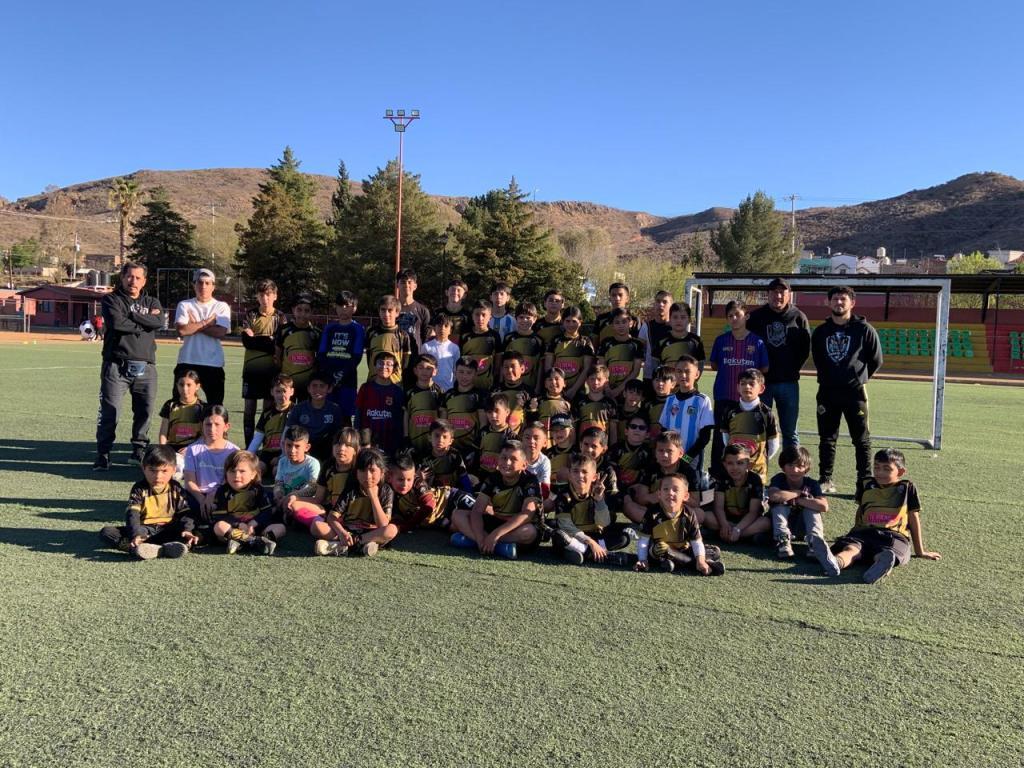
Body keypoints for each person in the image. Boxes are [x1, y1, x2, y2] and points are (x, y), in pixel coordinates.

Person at [811, 285, 883, 495]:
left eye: (843, 299)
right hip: (827, 392)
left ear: (852, 303)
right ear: (828, 302)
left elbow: (876, 359)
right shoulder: (821, 332)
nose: (839, 303)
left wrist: (859, 378)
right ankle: (825, 479)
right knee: (827, 438)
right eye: (835, 299)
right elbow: (818, 358)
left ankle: (863, 482)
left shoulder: (864, 329)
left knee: (861, 440)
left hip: (854, 394)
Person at [830, 447, 940, 583]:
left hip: (893, 536)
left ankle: (880, 564)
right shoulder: (867, 484)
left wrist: (920, 551)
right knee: (851, 549)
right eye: (876, 467)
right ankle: (835, 563)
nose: (880, 473)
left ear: (900, 472)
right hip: (865, 532)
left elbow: (913, 518)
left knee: (883, 553)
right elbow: (861, 510)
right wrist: (854, 531)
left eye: (886, 469)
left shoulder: (906, 488)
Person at [95, 261, 163, 470]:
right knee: (110, 411)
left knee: (145, 411)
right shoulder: (111, 299)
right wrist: (144, 322)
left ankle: (138, 450)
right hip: (116, 366)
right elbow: (117, 324)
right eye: (129, 276)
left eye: (138, 278)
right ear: (122, 277)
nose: (133, 281)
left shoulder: (152, 301)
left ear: (144, 281)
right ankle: (104, 453)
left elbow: (159, 322)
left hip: (146, 366)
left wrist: (132, 315)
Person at [449, 440, 542, 560]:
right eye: (503, 458)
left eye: (513, 459)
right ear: (498, 460)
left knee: (530, 532)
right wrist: (480, 537)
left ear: (524, 465)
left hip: (516, 526)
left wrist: (495, 535)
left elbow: (526, 515)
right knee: (457, 515)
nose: (507, 462)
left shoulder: (530, 480)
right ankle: (491, 545)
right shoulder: (493, 478)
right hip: (497, 520)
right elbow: (477, 509)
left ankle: (476, 541)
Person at [747, 278, 811, 449]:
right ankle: (759, 471)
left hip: (788, 383)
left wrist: (792, 367)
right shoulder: (755, 317)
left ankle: (792, 473)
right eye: (774, 292)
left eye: (782, 292)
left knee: (790, 432)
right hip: (762, 383)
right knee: (760, 430)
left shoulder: (798, 317)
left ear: (789, 295)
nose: (778, 295)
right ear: (768, 295)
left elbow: (805, 348)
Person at [98, 445, 193, 560]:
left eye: (164, 471)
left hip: (168, 529)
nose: (158, 476)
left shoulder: (176, 488)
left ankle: (152, 549)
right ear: (143, 468)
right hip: (145, 530)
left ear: (173, 470)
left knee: (195, 532)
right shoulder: (139, 489)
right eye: (152, 470)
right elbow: (132, 514)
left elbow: (186, 513)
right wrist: (136, 535)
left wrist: (187, 530)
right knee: (107, 532)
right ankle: (139, 548)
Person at [708, 300, 769, 473]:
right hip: (724, 397)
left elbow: (764, 368)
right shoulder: (721, 341)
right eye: (730, 316)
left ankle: (750, 473)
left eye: (738, 315)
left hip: (747, 402)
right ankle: (717, 474)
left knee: (746, 438)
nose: (734, 318)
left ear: (746, 316)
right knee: (720, 438)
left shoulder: (757, 342)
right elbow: (714, 364)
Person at [765, 445, 839, 573]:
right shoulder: (779, 479)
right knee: (780, 505)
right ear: (783, 466)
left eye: (800, 466)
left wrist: (799, 501)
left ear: (807, 468)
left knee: (811, 508)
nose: (795, 470)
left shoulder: (812, 483)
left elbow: (823, 506)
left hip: (804, 527)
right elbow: (774, 495)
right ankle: (783, 541)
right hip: (782, 524)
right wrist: (798, 493)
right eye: (790, 465)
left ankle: (814, 543)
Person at [312, 447, 397, 557]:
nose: (367, 476)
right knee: (316, 526)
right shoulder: (351, 489)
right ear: (356, 473)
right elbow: (332, 518)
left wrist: (374, 497)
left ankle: (342, 547)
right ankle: (361, 547)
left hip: (372, 533)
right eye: (363, 470)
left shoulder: (386, 491)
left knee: (391, 530)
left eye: (372, 470)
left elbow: (383, 524)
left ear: (382, 473)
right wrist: (342, 533)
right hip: (349, 531)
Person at [634, 473, 723, 575]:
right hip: (662, 551)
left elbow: (696, 542)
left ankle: (681, 563)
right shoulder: (652, 513)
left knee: (714, 551)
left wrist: (701, 560)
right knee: (661, 548)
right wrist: (642, 559)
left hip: (683, 550)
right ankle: (698, 564)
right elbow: (643, 541)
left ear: (685, 496)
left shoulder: (689, 514)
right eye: (666, 489)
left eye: (675, 490)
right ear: (659, 494)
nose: (670, 493)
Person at [551, 455, 631, 566]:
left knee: (623, 538)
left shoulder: (598, 492)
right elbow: (566, 526)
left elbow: (604, 523)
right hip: (574, 537)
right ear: (569, 475)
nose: (580, 475)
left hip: (595, 536)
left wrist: (599, 500)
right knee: (559, 536)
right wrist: (591, 543)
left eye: (584, 472)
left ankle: (584, 552)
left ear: (594, 476)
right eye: (575, 471)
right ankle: (601, 555)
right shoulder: (564, 495)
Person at [173, 268, 231, 406]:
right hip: (187, 362)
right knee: (179, 406)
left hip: (213, 364)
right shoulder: (185, 304)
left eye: (207, 283)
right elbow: (182, 330)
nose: (203, 286)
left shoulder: (221, 307)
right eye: (199, 282)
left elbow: (220, 332)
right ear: (194, 285)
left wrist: (195, 325)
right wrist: (206, 323)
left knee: (215, 408)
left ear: (213, 286)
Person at [206, 450, 280, 555]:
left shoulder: (258, 490)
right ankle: (254, 542)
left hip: (256, 527)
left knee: (280, 528)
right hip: (234, 528)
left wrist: (254, 523)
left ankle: (242, 542)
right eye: (232, 471)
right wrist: (239, 524)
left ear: (253, 474)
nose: (236, 475)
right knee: (219, 527)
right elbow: (220, 515)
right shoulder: (222, 491)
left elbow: (267, 512)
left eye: (242, 471)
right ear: (226, 473)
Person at [240, 279, 286, 446]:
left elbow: (279, 343)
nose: (265, 298)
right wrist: (269, 341)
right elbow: (247, 342)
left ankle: (265, 446)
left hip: (271, 372)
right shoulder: (251, 315)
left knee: (268, 411)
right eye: (261, 295)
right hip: (251, 371)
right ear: (257, 297)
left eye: (268, 294)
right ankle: (248, 447)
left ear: (275, 296)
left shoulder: (280, 317)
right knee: (249, 410)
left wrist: (258, 339)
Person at [717, 368, 780, 482]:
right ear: (738, 387)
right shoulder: (729, 411)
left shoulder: (767, 413)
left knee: (755, 498)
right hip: (735, 469)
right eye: (743, 384)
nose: (747, 387)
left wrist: (761, 459)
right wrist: (736, 459)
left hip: (757, 470)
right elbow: (726, 439)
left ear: (761, 388)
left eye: (751, 384)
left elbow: (774, 444)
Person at [658, 355, 714, 482]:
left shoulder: (702, 400)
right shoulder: (670, 400)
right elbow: (664, 431)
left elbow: (705, 438)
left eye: (687, 371)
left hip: (691, 459)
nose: (683, 375)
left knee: (690, 492)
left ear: (697, 374)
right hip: (671, 457)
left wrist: (686, 458)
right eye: (679, 371)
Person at [705, 443, 769, 544]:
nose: (735, 467)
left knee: (766, 522)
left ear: (748, 464)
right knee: (706, 516)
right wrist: (724, 524)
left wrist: (738, 529)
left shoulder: (754, 479)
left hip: (747, 522)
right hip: (726, 520)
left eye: (740, 463)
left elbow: (753, 512)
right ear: (724, 464)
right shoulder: (722, 477)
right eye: (730, 463)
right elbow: (718, 507)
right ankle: (740, 535)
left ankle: (729, 535)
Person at [181, 405, 239, 516]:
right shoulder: (192, 450)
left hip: (222, 494)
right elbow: (189, 482)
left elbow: (231, 481)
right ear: (202, 425)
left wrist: (213, 496)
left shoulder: (233, 451)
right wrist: (202, 500)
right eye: (208, 424)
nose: (212, 429)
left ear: (226, 426)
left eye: (217, 425)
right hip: (197, 495)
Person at [317, 291, 365, 422]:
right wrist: (330, 376)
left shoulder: (358, 329)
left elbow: (356, 357)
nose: (343, 308)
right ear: (336, 307)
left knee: (345, 418)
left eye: (347, 305)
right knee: (326, 416)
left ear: (354, 308)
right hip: (328, 381)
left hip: (347, 380)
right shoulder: (329, 328)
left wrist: (340, 375)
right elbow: (321, 353)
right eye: (340, 305)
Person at [355, 352, 405, 457]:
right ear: (374, 366)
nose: (384, 367)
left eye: (388, 364)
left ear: (394, 368)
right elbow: (358, 414)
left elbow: (400, 418)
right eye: (380, 363)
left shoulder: (397, 391)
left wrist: (400, 441)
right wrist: (359, 437)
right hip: (368, 442)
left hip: (390, 441)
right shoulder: (365, 388)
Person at [157, 369, 206, 478]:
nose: (185, 389)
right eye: (181, 384)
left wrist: (191, 448)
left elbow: (205, 435)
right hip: (173, 449)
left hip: (194, 449)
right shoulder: (170, 405)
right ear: (177, 385)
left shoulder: (203, 408)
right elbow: (163, 432)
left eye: (189, 385)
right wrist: (164, 450)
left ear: (197, 386)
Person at [284, 371, 342, 461]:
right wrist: (283, 454)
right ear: (308, 388)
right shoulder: (298, 408)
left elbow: (338, 435)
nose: (317, 389)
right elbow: (287, 433)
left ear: (329, 389)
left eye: (322, 386)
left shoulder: (335, 409)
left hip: (326, 449)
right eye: (314, 386)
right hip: (303, 447)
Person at [275, 293, 320, 403]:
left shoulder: (317, 333)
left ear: (312, 312)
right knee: (287, 416)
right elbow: (277, 356)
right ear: (293, 310)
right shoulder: (283, 331)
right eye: (299, 310)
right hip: (287, 384)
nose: (302, 314)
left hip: (308, 385)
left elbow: (319, 359)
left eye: (307, 311)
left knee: (306, 417)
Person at [421, 314, 459, 392]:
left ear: (450, 330)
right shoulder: (427, 347)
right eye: (439, 325)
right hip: (430, 388)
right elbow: (421, 368)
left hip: (448, 388)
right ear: (434, 328)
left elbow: (456, 369)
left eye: (446, 326)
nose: (442, 329)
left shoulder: (454, 348)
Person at [639, 290, 673, 378]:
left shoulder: (676, 327)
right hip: (650, 376)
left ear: (671, 306)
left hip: (672, 377)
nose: (661, 304)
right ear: (654, 304)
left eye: (664, 302)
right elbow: (639, 351)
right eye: (658, 301)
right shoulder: (646, 326)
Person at [395, 268, 431, 349]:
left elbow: (425, 337)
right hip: (394, 355)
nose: (406, 285)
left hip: (415, 357)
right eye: (403, 282)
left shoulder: (423, 311)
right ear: (397, 285)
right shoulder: (390, 309)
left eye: (409, 282)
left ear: (415, 286)